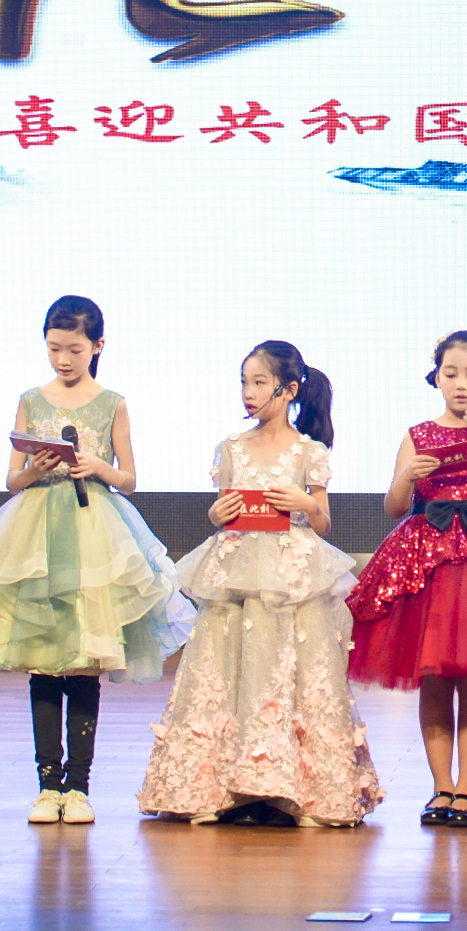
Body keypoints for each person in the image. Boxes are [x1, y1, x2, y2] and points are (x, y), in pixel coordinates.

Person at [0, 297, 193, 825]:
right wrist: (35, 469)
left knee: (84, 661)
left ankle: (78, 786)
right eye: (54, 348)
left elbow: (129, 479)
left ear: (97, 346)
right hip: (36, 535)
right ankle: (46, 785)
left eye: (74, 349)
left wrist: (98, 466)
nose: (63, 359)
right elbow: (12, 479)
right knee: (43, 660)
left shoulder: (112, 404)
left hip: (94, 534)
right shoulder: (31, 400)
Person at [138, 342, 382, 825]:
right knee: (226, 667)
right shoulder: (231, 448)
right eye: (244, 383)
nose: (248, 393)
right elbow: (223, 509)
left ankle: (297, 790)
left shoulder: (308, 451)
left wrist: (306, 504)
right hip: (238, 569)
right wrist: (217, 513)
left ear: (288, 390)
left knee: (292, 670)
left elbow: (323, 521)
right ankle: (221, 788)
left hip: (291, 573)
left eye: (259, 383)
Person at [347, 330, 467, 828]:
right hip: (427, 565)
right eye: (451, 374)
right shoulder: (418, 434)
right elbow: (393, 506)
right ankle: (440, 786)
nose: (461, 384)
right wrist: (409, 475)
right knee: (435, 677)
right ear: (437, 378)